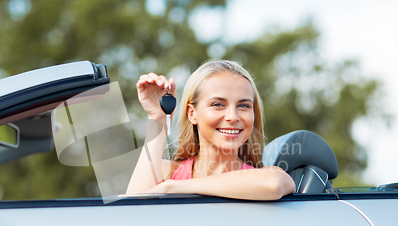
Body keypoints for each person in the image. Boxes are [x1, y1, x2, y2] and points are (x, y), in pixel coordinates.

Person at [126, 60, 295, 200]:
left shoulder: (262, 178)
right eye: (218, 104)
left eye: (243, 105)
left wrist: (172, 188)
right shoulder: (167, 172)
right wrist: (157, 118)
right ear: (192, 114)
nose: (232, 117)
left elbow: (275, 183)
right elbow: (131, 211)